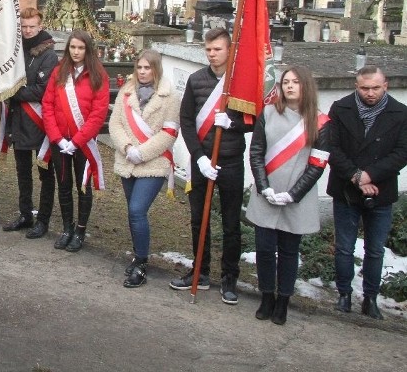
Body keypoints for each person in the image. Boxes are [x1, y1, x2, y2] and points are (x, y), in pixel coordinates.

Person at [170, 27, 251, 304]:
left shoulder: (239, 83)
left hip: (230, 162)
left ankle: (230, 278)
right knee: (198, 220)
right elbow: (188, 121)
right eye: (208, 50)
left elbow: (253, 122)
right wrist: (199, 157)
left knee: (230, 224)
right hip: (202, 163)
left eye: (217, 49)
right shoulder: (196, 80)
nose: (212, 54)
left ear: (229, 50)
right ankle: (200, 273)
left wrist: (235, 124)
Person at [247, 66, 332, 325]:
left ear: (306, 86)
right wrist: (264, 187)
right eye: (285, 82)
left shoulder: (321, 122)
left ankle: (283, 300)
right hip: (267, 194)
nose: (290, 86)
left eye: (295, 82)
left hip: (297, 198)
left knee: (287, 251)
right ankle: (266, 296)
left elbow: (317, 165)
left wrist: (293, 195)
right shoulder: (269, 113)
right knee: (263, 249)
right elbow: (256, 152)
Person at [327, 65, 407, 319]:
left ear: (386, 86)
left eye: (375, 88)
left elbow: (402, 153)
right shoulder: (340, 109)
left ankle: (370, 298)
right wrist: (357, 176)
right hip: (346, 188)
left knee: (375, 249)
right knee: (344, 247)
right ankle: (344, 294)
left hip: (381, 189)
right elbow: (331, 147)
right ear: (356, 87)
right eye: (365, 88)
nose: (370, 93)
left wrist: (371, 175)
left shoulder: (401, 113)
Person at [109, 49, 180, 287]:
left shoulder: (169, 96)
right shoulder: (126, 91)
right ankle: (137, 253)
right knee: (132, 211)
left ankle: (141, 263)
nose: (142, 72)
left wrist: (143, 152)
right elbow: (115, 123)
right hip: (128, 158)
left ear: (156, 69)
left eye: (147, 68)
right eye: (139, 67)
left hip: (154, 163)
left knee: (138, 210)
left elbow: (170, 132)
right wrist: (128, 147)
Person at [41, 30, 109, 252]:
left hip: (83, 142)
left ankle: (80, 230)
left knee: (82, 186)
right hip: (59, 141)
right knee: (63, 184)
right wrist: (57, 138)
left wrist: (77, 140)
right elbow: (47, 105)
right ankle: (67, 228)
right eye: (73, 47)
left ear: (88, 49)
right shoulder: (59, 72)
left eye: (81, 48)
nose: (76, 52)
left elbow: (98, 114)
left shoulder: (98, 75)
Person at [3, 8, 59, 238]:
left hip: (40, 124)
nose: (27, 31)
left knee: (45, 174)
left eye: (31, 26)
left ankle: (43, 220)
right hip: (18, 121)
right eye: (24, 27)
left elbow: (43, 90)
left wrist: (14, 92)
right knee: (22, 172)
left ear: (40, 26)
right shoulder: (15, 50)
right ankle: (25, 213)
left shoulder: (49, 55)